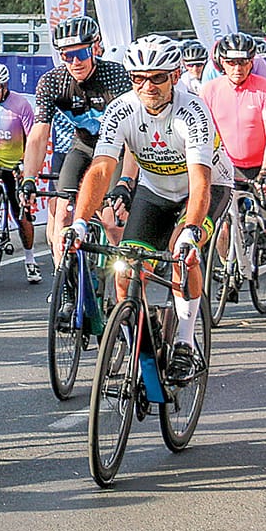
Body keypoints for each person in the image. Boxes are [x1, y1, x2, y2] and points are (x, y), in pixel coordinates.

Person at [74, 36, 231, 382]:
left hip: (205, 188)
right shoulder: (122, 110)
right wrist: (80, 222)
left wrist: (191, 231)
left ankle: (186, 344)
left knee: (181, 253)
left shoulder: (193, 113)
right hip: (155, 189)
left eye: (157, 77)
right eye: (139, 78)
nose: (148, 86)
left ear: (175, 75)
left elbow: (201, 180)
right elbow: (101, 168)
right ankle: (141, 343)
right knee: (125, 269)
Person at [22, 16, 133, 271]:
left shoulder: (115, 76)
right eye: (66, 56)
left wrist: (126, 181)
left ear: (95, 48)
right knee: (62, 214)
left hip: (116, 148)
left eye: (81, 53)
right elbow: (39, 133)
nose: (74, 62)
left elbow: (132, 134)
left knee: (111, 220)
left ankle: (121, 289)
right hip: (82, 145)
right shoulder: (52, 82)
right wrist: (29, 177)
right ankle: (65, 284)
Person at [201, 32, 266, 318]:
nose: (237, 68)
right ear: (221, 62)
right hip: (225, 166)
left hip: (260, 165)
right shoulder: (210, 90)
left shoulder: (264, 88)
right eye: (231, 62)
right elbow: (204, 134)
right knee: (218, 225)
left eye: (243, 62)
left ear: (251, 62)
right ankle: (227, 267)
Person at [0, 62, 40, 285]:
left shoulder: (20, 105)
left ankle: (30, 261)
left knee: (20, 213)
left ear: (4, 87)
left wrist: (26, 166)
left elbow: (33, 140)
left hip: (15, 164)